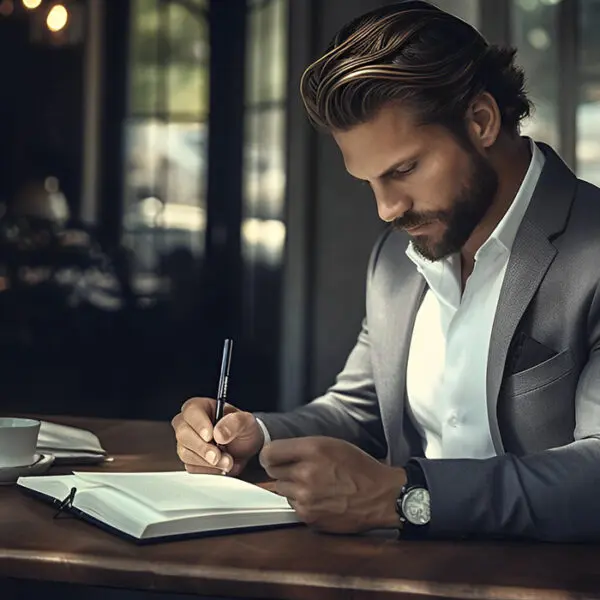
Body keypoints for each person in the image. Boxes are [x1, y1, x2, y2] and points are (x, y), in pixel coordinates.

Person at [172, 1, 600, 541]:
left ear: (482, 121)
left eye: (404, 170)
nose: (388, 209)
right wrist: (253, 434)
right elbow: (363, 412)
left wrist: (403, 498)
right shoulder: (396, 263)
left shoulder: (594, 252)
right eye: (369, 181)